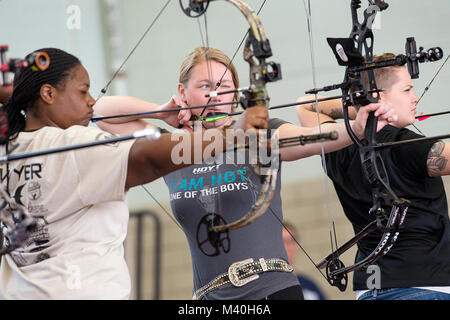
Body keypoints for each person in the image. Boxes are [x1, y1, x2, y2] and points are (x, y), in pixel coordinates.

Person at [94, 46, 396, 300]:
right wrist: (160, 113)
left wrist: (356, 128)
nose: (215, 95)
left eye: (224, 87)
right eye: (204, 86)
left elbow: (310, 138)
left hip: (272, 291)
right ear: (181, 92)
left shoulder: (257, 134)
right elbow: (100, 112)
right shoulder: (172, 146)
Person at [0, 47, 268, 299]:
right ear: (47, 94)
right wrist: (231, 135)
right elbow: (149, 159)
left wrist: (161, 113)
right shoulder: (73, 144)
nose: (92, 101)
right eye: (83, 92)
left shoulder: (8, 148)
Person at [296, 53, 450, 300]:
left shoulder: (338, 147)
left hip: (369, 290)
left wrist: (361, 107)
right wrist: (367, 105)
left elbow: (304, 105)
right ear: (378, 96)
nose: (415, 97)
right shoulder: (407, 145)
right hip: (424, 287)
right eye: (407, 89)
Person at [282, 221, 327, 300]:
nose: (289, 247)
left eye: (292, 240)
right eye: (284, 241)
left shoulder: (310, 285)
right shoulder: (269, 287)